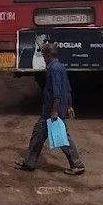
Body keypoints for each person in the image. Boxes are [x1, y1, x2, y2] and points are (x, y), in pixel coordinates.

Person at [14, 41, 85, 176]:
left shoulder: (54, 69)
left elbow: (57, 93)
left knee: (61, 137)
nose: (43, 57)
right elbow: (67, 89)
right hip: (53, 109)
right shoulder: (60, 67)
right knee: (38, 134)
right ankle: (29, 162)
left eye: (43, 54)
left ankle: (77, 164)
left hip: (52, 110)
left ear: (47, 55)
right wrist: (69, 106)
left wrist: (54, 111)